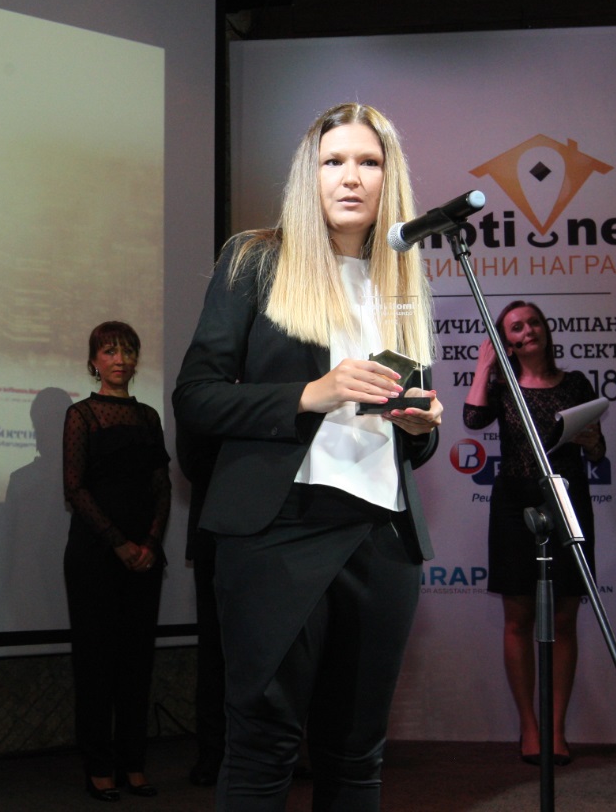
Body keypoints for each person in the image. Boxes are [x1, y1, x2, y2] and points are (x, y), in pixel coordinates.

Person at [174, 102, 442, 812]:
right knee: (262, 748)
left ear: (389, 177)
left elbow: (411, 438)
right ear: (308, 173)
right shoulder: (255, 260)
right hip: (279, 529)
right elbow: (196, 398)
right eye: (333, 161)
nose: (350, 177)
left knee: (357, 755)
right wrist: (310, 394)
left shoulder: (402, 279)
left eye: (368, 162)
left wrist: (420, 426)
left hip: (380, 535)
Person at [462, 301, 605, 766]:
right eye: (516, 327)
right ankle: (529, 727)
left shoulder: (576, 383)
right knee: (518, 618)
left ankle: (557, 729)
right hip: (514, 505)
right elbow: (472, 420)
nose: (528, 331)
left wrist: (591, 442)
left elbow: (598, 451)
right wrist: (485, 366)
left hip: (567, 499)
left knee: (564, 619)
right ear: (506, 340)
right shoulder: (502, 384)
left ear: (546, 329)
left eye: (533, 323)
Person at [63, 320, 172, 802]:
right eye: (109, 352)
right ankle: (99, 767)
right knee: (95, 664)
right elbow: (74, 488)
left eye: (127, 351)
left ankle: (133, 763)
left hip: (144, 557)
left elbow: (161, 487)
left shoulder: (148, 417)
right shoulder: (81, 416)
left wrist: (149, 542)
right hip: (95, 556)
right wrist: (118, 544)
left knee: (137, 663)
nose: (120, 360)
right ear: (93, 362)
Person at [175, 423, 226, 786]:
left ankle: (270, 751)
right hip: (217, 540)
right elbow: (193, 463)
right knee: (215, 655)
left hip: (276, 540)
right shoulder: (202, 397)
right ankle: (214, 756)